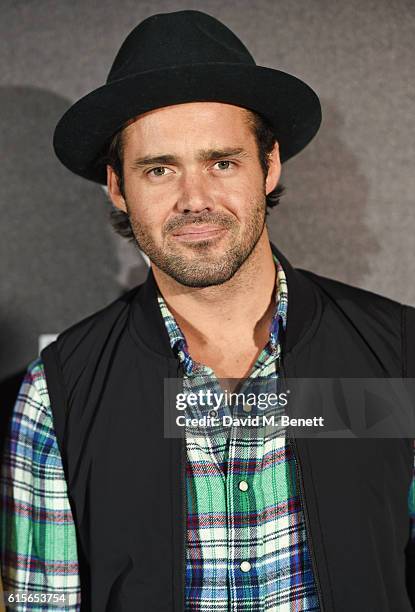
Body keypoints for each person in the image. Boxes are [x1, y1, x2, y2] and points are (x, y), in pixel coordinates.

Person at [1, 9, 414, 612]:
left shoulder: (398, 352)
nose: (195, 200)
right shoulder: (56, 396)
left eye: (222, 162)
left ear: (268, 166)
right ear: (117, 186)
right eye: (160, 169)